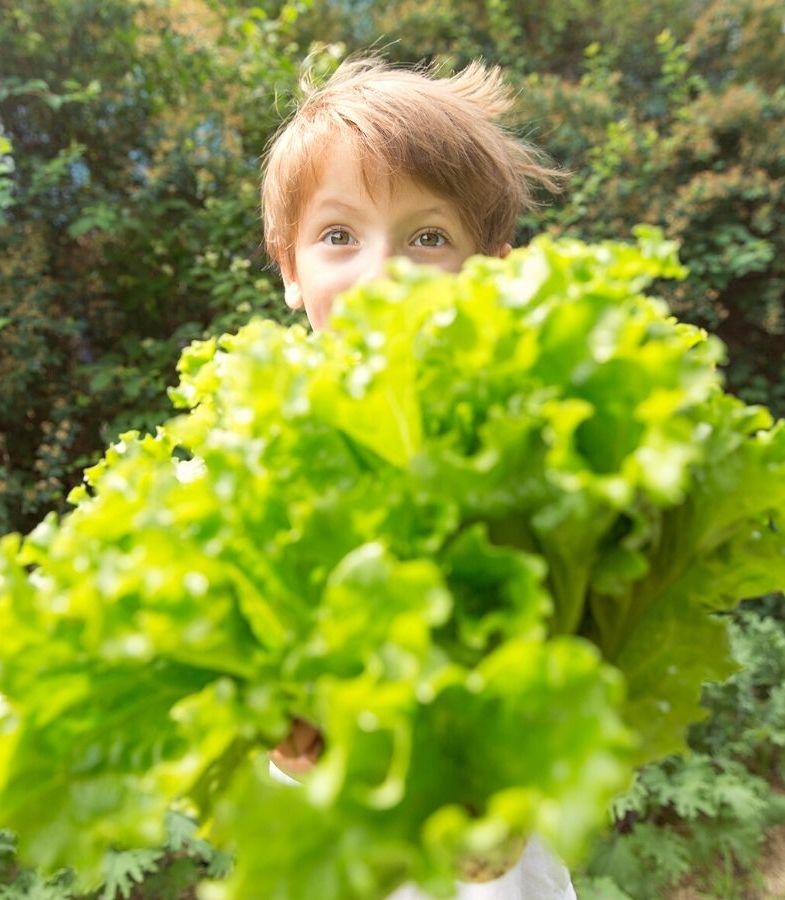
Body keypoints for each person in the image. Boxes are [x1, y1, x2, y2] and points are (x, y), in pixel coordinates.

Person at [259, 55, 575, 900]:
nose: (381, 274)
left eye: (427, 238)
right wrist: (285, 743)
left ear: (490, 267)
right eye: (338, 237)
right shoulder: (252, 457)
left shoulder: (529, 443)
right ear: (289, 267)